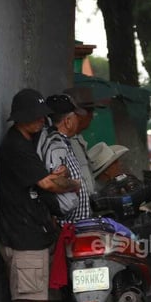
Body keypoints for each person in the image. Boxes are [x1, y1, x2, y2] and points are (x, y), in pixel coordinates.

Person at [0, 88, 80, 302]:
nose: (42, 121)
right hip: (21, 234)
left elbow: (43, 181)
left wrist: (54, 180)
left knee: (40, 296)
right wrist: (71, 184)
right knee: (25, 297)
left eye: (43, 116)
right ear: (21, 118)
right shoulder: (15, 147)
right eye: (36, 116)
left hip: (34, 231)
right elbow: (46, 185)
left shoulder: (28, 143)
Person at [37, 93, 92, 223]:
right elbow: (53, 183)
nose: (78, 121)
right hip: (67, 227)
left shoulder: (64, 143)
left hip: (75, 225)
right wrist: (75, 185)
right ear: (67, 121)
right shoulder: (55, 146)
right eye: (75, 117)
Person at [63, 87, 110, 197]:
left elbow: (88, 184)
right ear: (78, 114)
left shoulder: (78, 140)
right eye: (90, 111)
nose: (92, 116)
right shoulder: (61, 143)